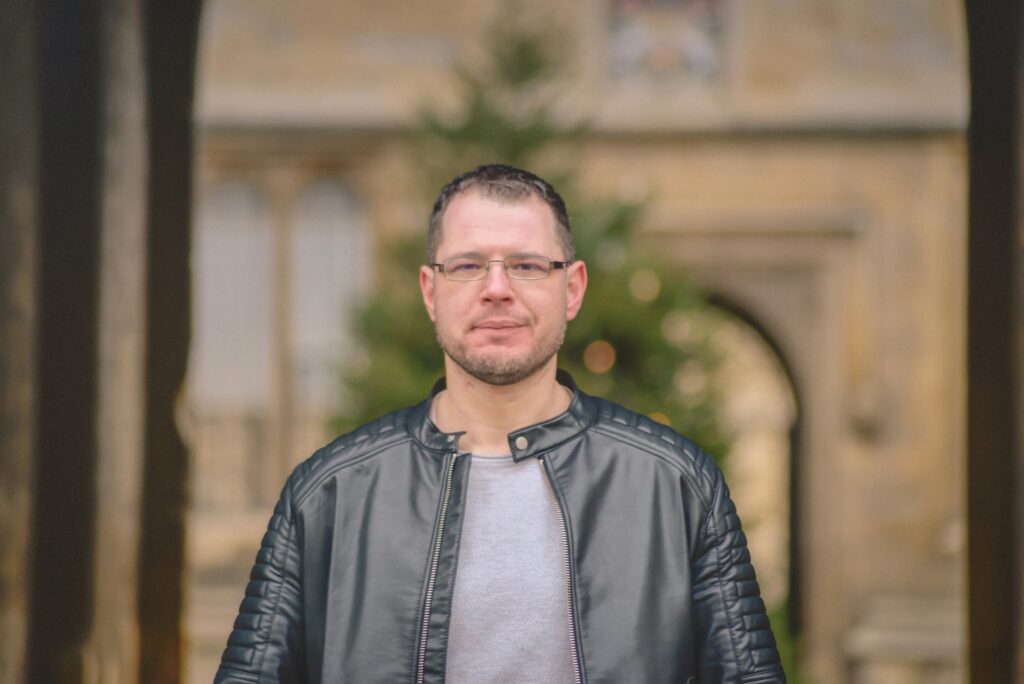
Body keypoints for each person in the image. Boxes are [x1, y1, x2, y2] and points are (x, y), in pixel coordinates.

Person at [215, 164, 785, 683]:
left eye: (527, 265)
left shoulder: (676, 484)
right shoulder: (329, 494)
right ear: (430, 291)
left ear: (572, 289)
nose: (496, 289)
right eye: (467, 266)